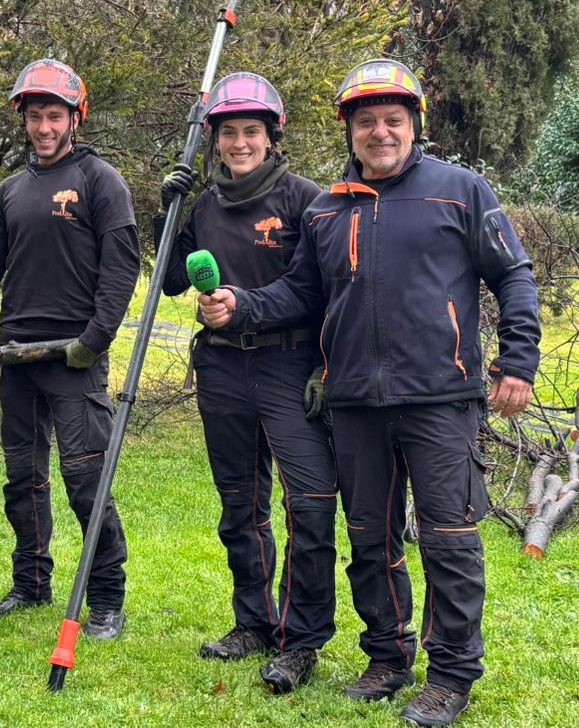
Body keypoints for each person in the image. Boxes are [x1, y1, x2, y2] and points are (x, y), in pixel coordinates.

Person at [198, 58, 540, 725]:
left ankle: (451, 675)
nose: (379, 133)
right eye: (366, 122)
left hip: (439, 398)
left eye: (392, 120)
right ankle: (387, 656)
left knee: (449, 541)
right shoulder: (328, 209)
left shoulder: (461, 190)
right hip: (354, 403)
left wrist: (517, 361)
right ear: (349, 131)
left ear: (414, 125)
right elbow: (299, 293)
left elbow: (514, 275)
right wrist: (239, 305)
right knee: (371, 542)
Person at [0, 58, 140, 640]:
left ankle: (107, 601)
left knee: (86, 482)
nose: (44, 127)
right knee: (23, 479)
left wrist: (93, 342)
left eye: (54, 117)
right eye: (35, 116)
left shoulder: (100, 181)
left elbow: (121, 270)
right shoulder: (11, 191)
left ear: (75, 119)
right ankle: (30, 584)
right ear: (23, 119)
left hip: (73, 359)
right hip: (15, 356)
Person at [154, 73, 338, 693]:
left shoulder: (304, 200)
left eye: (251, 131)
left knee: (309, 503)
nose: (239, 143)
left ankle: (302, 639)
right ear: (215, 140)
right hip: (222, 368)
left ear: (271, 136)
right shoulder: (205, 207)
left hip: (289, 366)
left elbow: (313, 290)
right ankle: (254, 622)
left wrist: (245, 306)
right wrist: (168, 213)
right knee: (240, 505)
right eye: (228, 132)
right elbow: (171, 281)